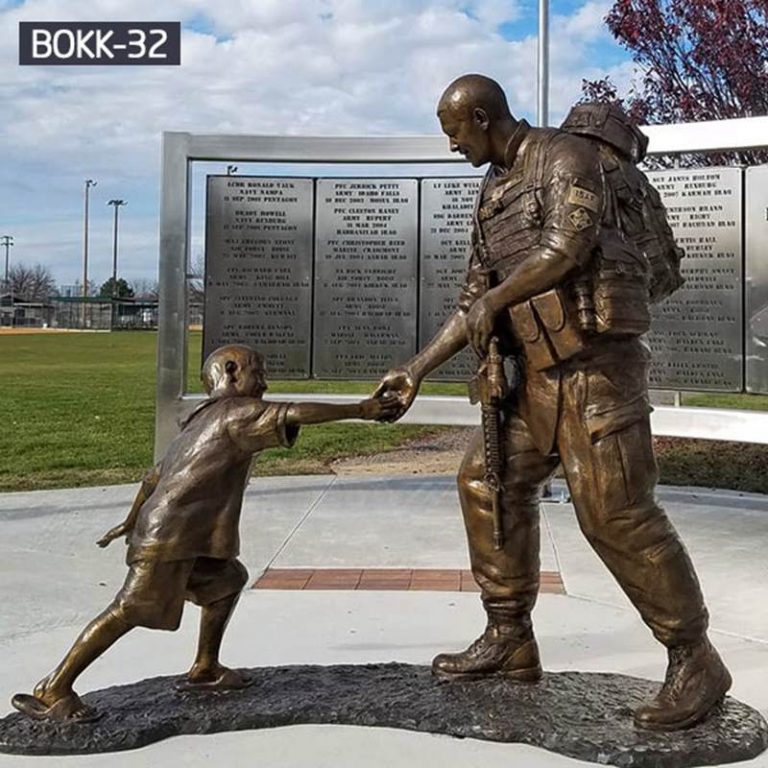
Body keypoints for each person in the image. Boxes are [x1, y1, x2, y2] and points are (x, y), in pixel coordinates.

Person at [374, 74, 731, 731]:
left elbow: (566, 247)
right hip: (532, 376)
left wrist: (493, 301)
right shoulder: (492, 189)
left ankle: (695, 659)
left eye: (454, 131)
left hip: (597, 371)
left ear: (482, 117)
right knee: (486, 479)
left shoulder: (567, 155)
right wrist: (417, 368)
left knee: (616, 515)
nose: (449, 144)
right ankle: (510, 636)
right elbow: (472, 298)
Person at [12, 343, 397, 723]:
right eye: (257, 372)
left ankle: (205, 667)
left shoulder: (201, 418)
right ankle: (54, 688)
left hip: (180, 535)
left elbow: (154, 477)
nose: (264, 383)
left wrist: (131, 520)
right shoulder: (236, 413)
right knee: (127, 610)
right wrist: (363, 409)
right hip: (171, 537)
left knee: (227, 581)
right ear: (230, 372)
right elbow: (295, 413)